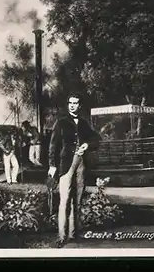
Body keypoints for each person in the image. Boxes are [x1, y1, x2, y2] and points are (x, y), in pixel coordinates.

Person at [48, 93, 101, 247]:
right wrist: (52, 166)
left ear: (80, 105)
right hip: (65, 165)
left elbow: (96, 139)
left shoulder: (84, 123)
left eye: (76, 103)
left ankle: (73, 234)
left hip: (81, 165)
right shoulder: (61, 123)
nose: (72, 105)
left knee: (76, 201)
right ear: (67, 104)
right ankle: (61, 236)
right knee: (64, 201)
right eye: (70, 102)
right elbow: (53, 146)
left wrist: (87, 145)